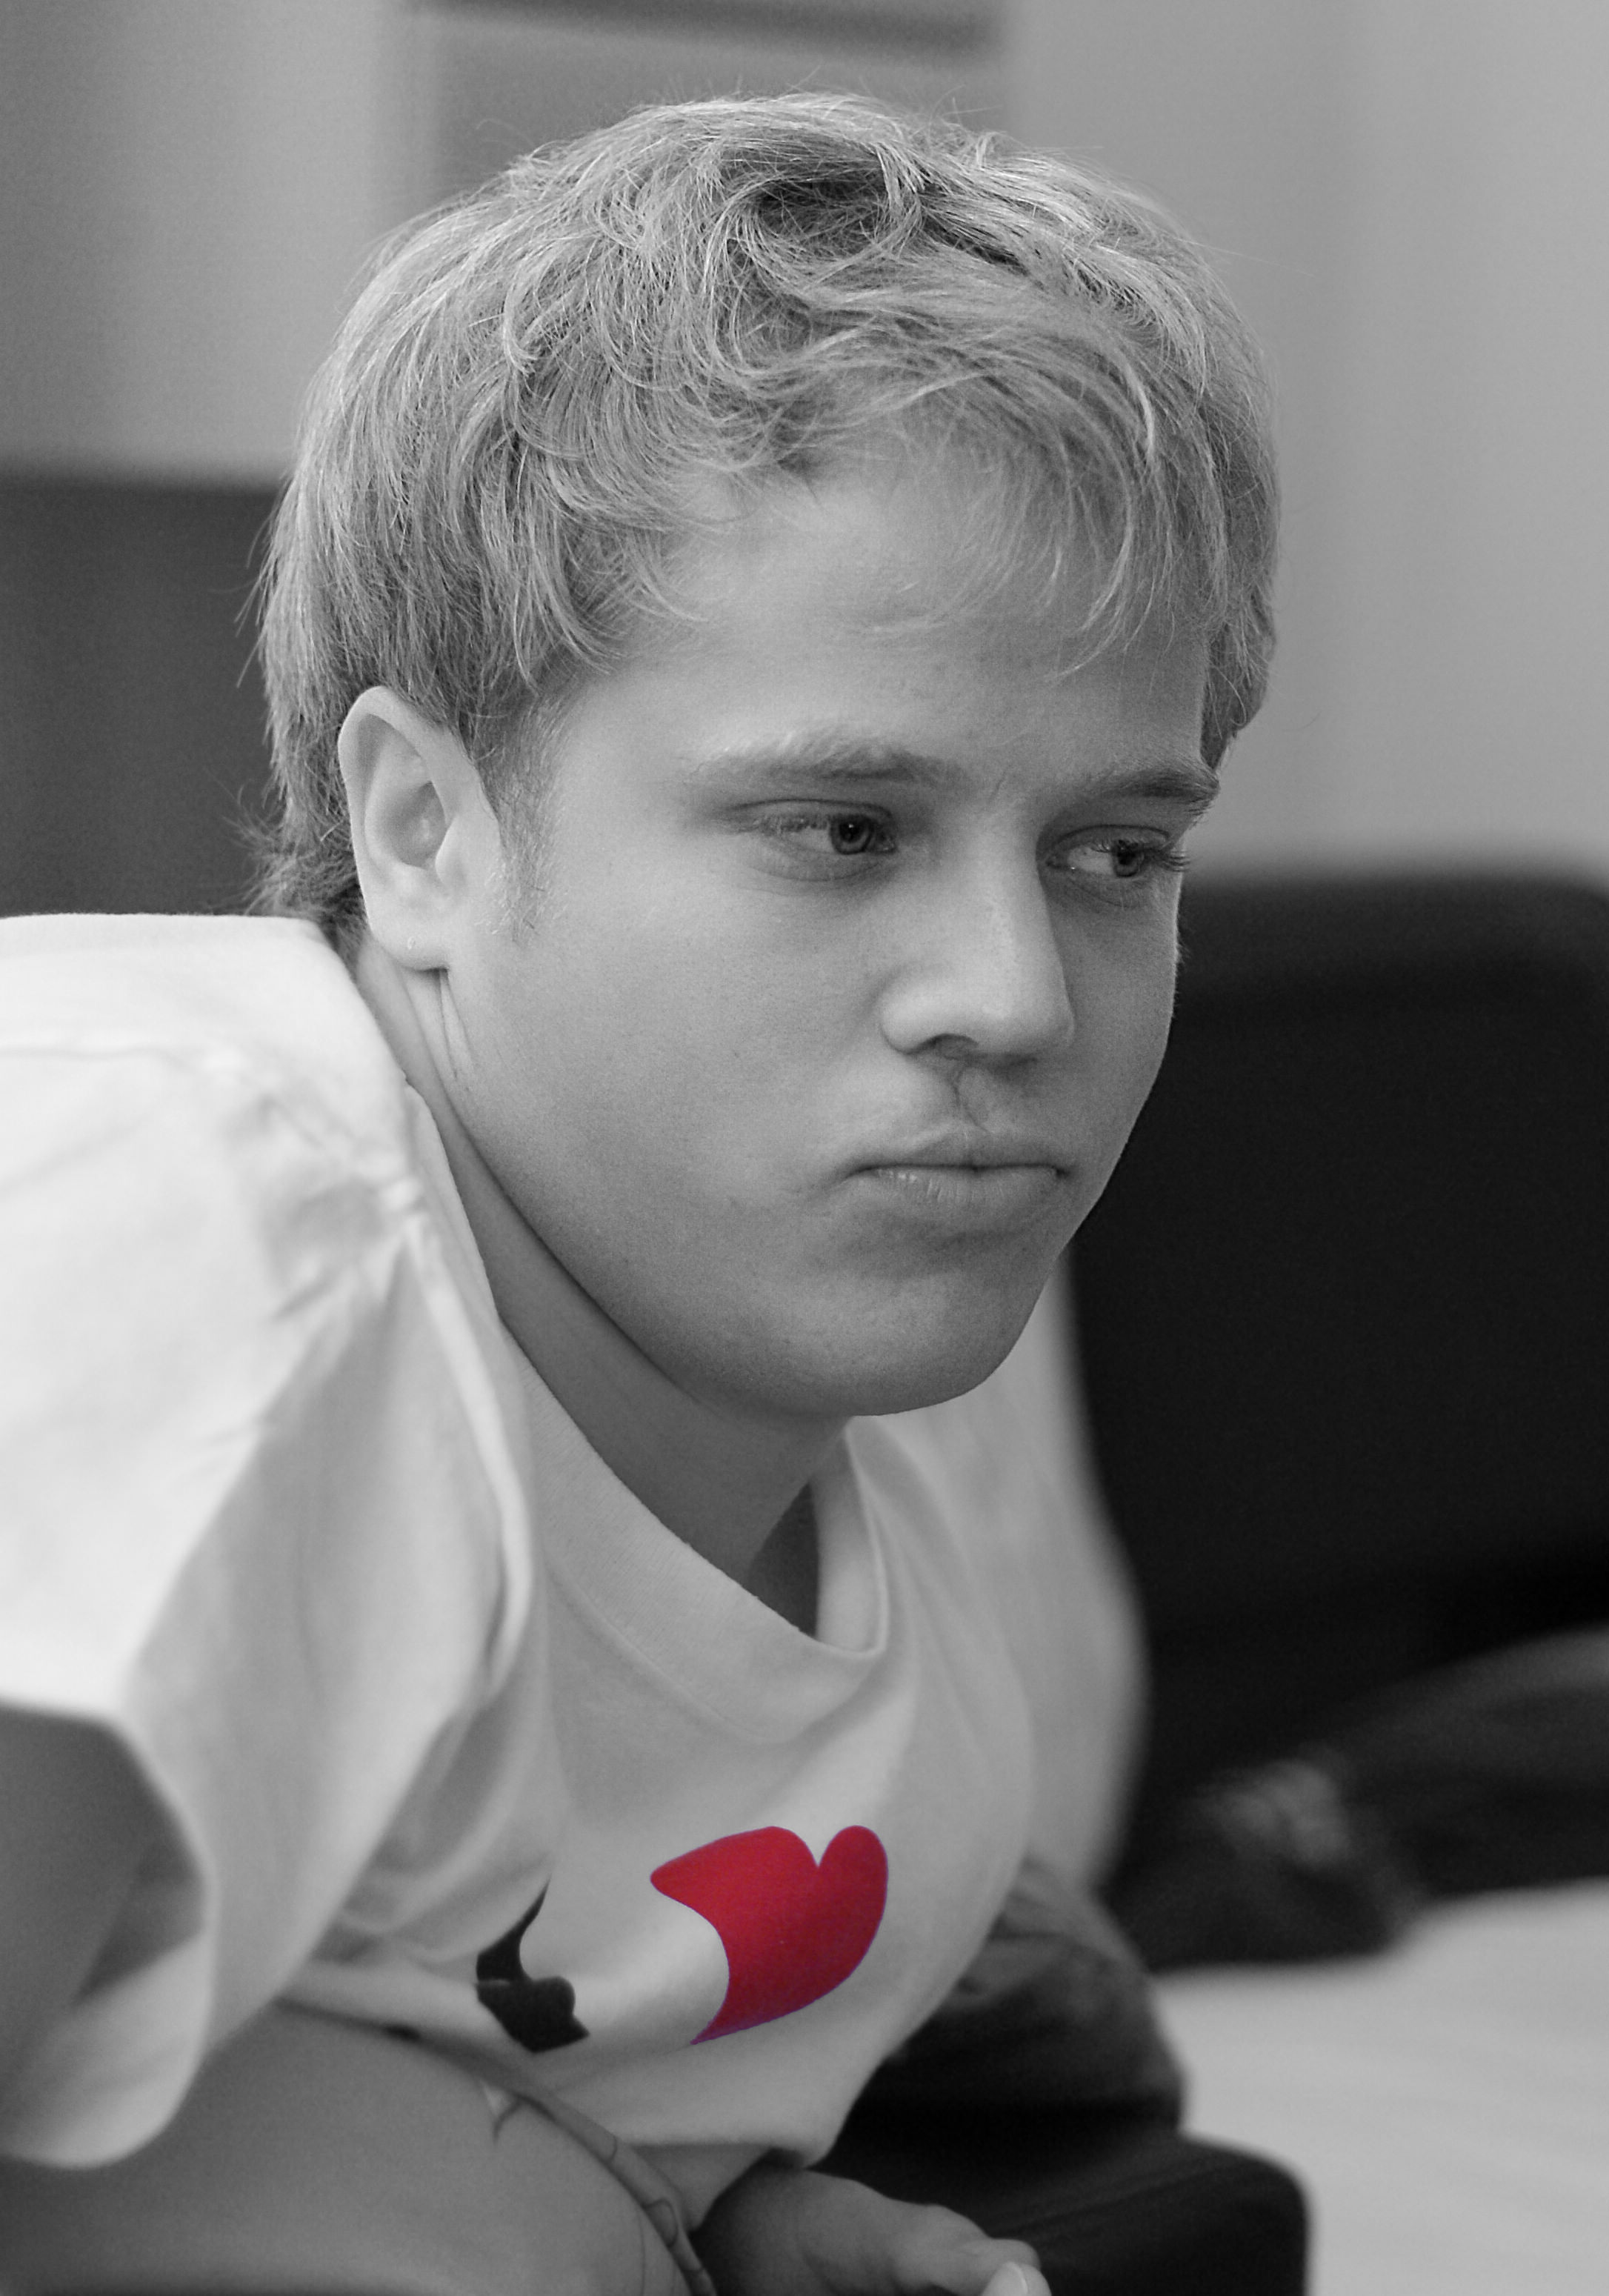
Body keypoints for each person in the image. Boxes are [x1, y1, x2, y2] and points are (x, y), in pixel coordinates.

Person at [0, 91, 1276, 2295]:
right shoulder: (194, 1216)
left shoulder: (918, 1713)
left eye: (1115, 853)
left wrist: (698, 2218)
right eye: (841, 830)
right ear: (420, 832)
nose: (1011, 997)